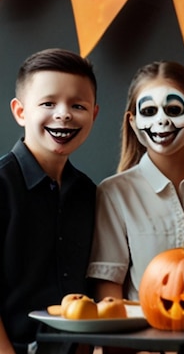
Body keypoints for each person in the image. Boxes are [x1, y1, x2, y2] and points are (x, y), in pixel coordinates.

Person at [87, 61, 184, 302]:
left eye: (173, 110)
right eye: (149, 111)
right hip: (139, 338)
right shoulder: (114, 194)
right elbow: (108, 289)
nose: (161, 121)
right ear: (133, 122)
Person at [0, 48, 99, 354]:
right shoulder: (2, 184)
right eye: (48, 103)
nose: (64, 114)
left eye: (78, 105)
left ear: (94, 113)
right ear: (20, 112)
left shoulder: (87, 192)